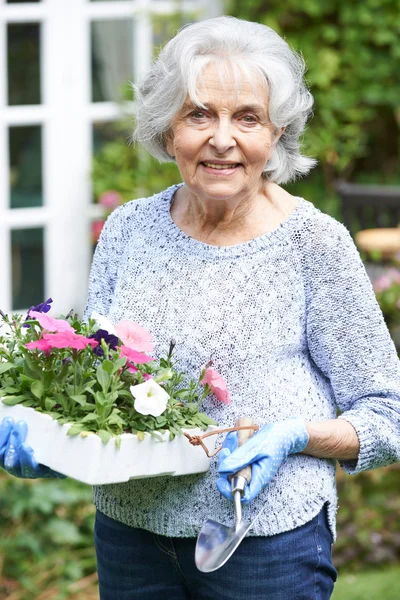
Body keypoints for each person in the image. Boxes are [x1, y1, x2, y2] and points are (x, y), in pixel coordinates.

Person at [1, 15, 400, 599]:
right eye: (198, 114)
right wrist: (49, 439)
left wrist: (291, 433)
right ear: (168, 131)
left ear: (277, 134)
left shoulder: (315, 245)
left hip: (263, 543)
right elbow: (99, 380)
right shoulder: (128, 229)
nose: (221, 138)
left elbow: (388, 416)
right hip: (130, 537)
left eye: (247, 117)